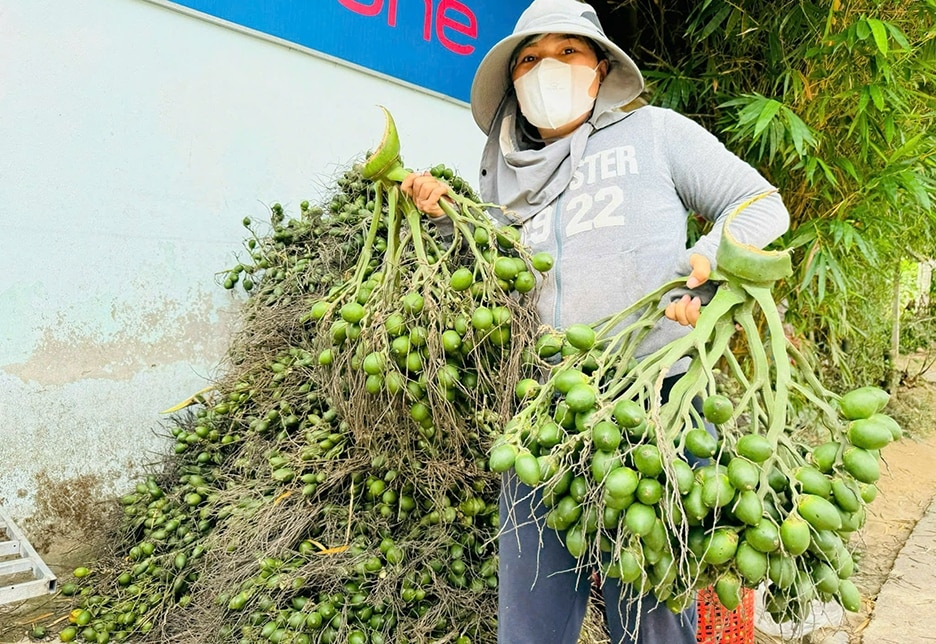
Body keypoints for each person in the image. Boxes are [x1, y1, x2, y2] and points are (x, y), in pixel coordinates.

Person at [402, 1, 790, 642]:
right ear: (513, 84)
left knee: (649, 615)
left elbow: (759, 204)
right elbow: (490, 268)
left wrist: (712, 263)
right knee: (529, 615)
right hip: (544, 409)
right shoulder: (506, 181)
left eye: (565, 52)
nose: (545, 69)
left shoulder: (656, 134)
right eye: (528, 59)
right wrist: (443, 216)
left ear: (601, 65)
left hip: (654, 404)